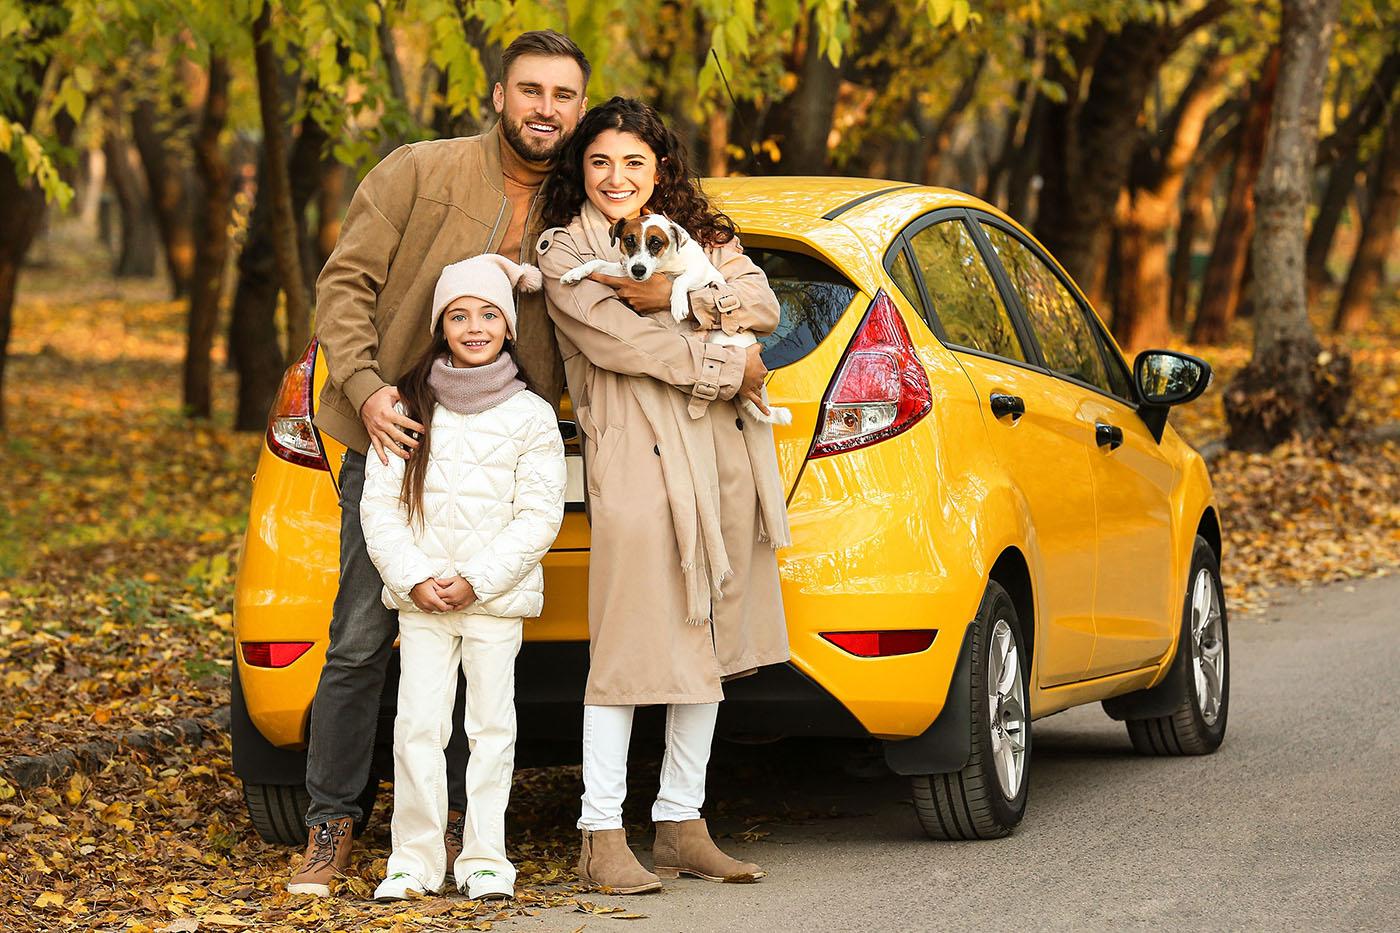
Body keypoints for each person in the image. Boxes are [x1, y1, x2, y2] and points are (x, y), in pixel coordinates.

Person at [288, 30, 589, 897]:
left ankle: (457, 827)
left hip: (503, 452)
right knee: (360, 637)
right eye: (530, 91)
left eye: (563, 95)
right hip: (396, 436)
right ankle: (331, 822)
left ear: (577, 107)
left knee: (480, 650)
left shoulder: (583, 211)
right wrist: (370, 387)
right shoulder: (417, 169)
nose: (545, 109)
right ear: (499, 94)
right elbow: (344, 285)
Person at [535, 97, 791, 894]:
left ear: (661, 168)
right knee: (626, 651)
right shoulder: (563, 250)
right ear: (581, 169)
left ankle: (682, 820)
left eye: (634, 163)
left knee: (703, 644)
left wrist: (683, 298)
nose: (617, 178)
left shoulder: (703, 239)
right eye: (600, 162)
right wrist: (731, 364)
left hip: (717, 457)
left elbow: (764, 306)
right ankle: (600, 832)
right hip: (637, 466)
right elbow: (621, 340)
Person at [361, 255, 565, 902]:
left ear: (507, 326)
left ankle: (484, 857)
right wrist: (417, 576)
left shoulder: (532, 414)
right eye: (458, 315)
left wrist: (477, 579)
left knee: (490, 728)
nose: (473, 326)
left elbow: (539, 514)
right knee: (417, 725)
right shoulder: (407, 404)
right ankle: (414, 859)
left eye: (487, 314)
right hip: (422, 600)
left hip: (492, 601)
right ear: (441, 326)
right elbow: (380, 507)